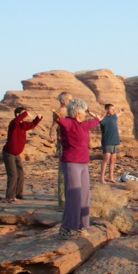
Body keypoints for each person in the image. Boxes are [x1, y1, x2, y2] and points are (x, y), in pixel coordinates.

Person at [56, 98, 100, 238]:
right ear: (77, 114)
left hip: (83, 163)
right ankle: (66, 228)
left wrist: (98, 117)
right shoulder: (68, 123)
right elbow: (60, 120)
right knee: (74, 194)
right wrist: (57, 116)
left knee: (84, 194)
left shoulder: (83, 125)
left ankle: (82, 225)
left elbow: (94, 122)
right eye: (83, 112)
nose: (85, 115)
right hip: (71, 162)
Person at [2, 107, 42, 203]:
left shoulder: (23, 125)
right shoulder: (13, 124)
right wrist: (26, 113)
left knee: (20, 174)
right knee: (13, 175)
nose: (25, 115)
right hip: (9, 153)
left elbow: (32, 124)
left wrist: (38, 118)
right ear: (17, 115)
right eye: (23, 113)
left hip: (16, 154)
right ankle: (9, 196)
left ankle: (18, 194)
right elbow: (16, 121)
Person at [48, 91, 72, 206]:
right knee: (63, 171)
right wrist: (51, 136)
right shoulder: (60, 112)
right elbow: (53, 127)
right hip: (63, 144)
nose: (70, 101)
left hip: (71, 143)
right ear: (62, 101)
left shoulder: (71, 111)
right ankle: (63, 200)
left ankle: (70, 197)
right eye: (68, 99)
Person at [99, 103, 125, 184]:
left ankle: (111, 177)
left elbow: (118, 114)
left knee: (113, 160)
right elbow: (96, 116)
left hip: (114, 141)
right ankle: (102, 178)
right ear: (107, 109)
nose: (113, 110)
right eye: (112, 109)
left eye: (114, 109)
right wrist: (89, 112)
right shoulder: (103, 118)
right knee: (106, 159)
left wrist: (121, 111)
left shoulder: (113, 117)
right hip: (107, 141)